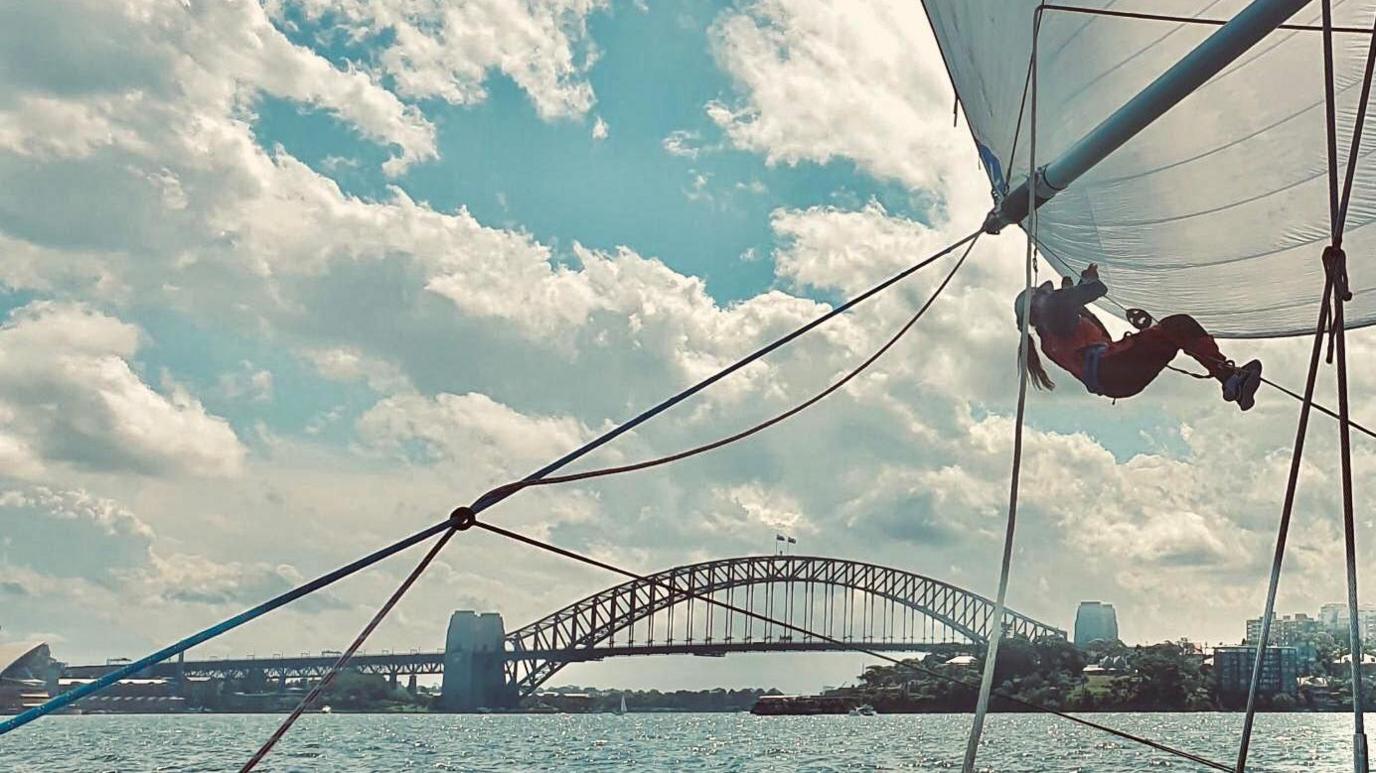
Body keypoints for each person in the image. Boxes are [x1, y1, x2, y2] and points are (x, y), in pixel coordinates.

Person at [1014, 264, 1263, 410]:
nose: (1051, 293)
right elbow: (1095, 289)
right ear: (1036, 305)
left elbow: (1080, 321)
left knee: (1172, 333)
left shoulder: (1050, 336)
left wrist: (1075, 294)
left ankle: (1233, 382)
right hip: (1115, 368)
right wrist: (1086, 281)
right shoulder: (1052, 311)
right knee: (1179, 325)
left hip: (1117, 382)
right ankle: (1231, 380)